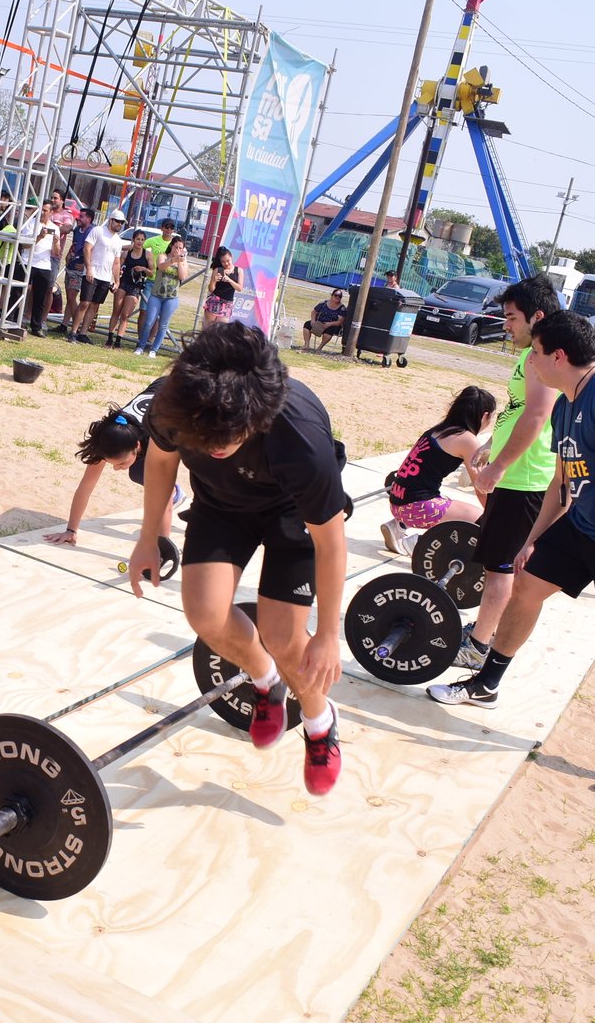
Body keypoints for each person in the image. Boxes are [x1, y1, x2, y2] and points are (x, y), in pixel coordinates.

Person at [428, 312, 595, 802]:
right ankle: (487, 683)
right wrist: (532, 539)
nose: (530, 361)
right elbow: (563, 482)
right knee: (525, 588)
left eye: (536, 353)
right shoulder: (567, 402)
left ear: (558, 356)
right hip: (583, 525)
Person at [127, 322, 349, 792]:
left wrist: (329, 635)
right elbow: (162, 462)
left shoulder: (301, 440)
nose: (215, 448)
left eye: (227, 438)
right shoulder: (177, 401)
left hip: (291, 513)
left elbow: (331, 542)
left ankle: (319, 722)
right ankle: (265, 680)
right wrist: (148, 537)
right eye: (205, 439)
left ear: (259, 417)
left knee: (286, 638)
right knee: (205, 616)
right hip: (221, 505)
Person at [453, 274, 562, 672]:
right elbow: (518, 411)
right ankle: (485, 633)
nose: (506, 324)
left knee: (500, 568)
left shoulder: (541, 357)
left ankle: (478, 646)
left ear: (537, 316)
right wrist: (491, 446)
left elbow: (537, 415)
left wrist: (499, 466)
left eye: (512, 317)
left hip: (524, 479)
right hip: (517, 475)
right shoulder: (529, 355)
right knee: (498, 566)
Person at [43, 379, 182, 546]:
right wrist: (71, 530)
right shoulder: (107, 438)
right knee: (138, 473)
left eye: (121, 463)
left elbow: (164, 502)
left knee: (188, 473)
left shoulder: (157, 439)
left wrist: (161, 550)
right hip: (162, 394)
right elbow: (86, 486)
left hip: (191, 403)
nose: (116, 469)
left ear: (137, 446)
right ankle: (177, 493)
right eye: (112, 464)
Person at [381, 386, 496, 555]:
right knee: (481, 521)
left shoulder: (439, 429)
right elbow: (481, 487)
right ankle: (417, 544)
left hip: (397, 501)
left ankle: (398, 526)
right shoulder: (468, 440)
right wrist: (494, 516)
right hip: (415, 507)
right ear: (485, 416)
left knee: (445, 501)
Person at [70, 208, 128, 344]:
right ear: (111, 220)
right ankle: (73, 332)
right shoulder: (98, 231)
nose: (119, 224)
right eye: (117, 221)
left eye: (122, 222)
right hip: (92, 272)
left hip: (105, 277)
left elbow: (116, 262)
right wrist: (89, 268)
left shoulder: (118, 240)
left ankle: (83, 333)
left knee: (95, 305)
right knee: (85, 303)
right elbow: (87, 249)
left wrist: (117, 281)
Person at [135, 236, 189, 357]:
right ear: (171, 246)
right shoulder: (163, 256)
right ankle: (141, 346)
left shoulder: (183, 261)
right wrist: (173, 260)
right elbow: (161, 266)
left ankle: (154, 350)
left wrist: (180, 261)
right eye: (176, 247)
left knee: (163, 325)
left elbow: (182, 276)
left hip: (171, 297)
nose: (178, 250)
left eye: (180, 248)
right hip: (156, 295)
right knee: (149, 322)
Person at [106, 229, 153, 349]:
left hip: (135, 287)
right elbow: (117, 267)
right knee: (116, 311)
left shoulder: (147, 255)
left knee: (125, 315)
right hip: (123, 283)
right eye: (138, 239)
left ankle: (118, 341)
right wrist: (116, 280)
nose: (140, 242)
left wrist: (143, 269)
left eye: (142, 240)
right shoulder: (126, 253)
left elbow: (152, 273)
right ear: (133, 240)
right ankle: (110, 338)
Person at [21, 202, 62, 337]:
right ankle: (14, 319)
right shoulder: (30, 223)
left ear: (51, 212)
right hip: (27, 262)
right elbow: (25, 245)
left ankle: (36, 326)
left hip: (44, 265)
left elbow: (56, 253)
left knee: (40, 298)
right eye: (41, 210)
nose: (42, 213)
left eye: (45, 210)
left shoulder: (55, 228)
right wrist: (39, 236)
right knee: (19, 292)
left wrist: (56, 243)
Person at [59, 207, 94, 337]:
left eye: (82, 216)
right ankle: (64, 325)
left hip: (79, 268)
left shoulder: (92, 232)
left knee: (71, 297)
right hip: (71, 265)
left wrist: (85, 264)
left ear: (89, 218)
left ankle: (76, 326)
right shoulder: (77, 230)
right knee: (69, 298)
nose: (78, 218)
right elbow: (74, 244)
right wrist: (69, 254)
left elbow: (92, 250)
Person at [203, 247, 241, 327]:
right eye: (223, 262)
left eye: (228, 261)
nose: (226, 263)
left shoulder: (239, 271)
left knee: (221, 330)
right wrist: (214, 280)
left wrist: (229, 280)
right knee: (208, 328)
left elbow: (239, 288)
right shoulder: (217, 270)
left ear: (231, 257)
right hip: (215, 301)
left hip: (227, 304)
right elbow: (211, 289)